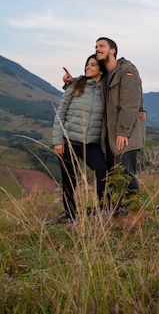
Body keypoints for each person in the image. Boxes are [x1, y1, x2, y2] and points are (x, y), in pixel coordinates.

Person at [63, 37, 145, 214]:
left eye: (101, 46)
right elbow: (91, 79)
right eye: (96, 46)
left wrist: (123, 131)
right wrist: (71, 81)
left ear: (113, 50)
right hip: (110, 136)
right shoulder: (107, 75)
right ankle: (110, 209)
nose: (97, 48)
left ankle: (135, 211)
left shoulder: (127, 70)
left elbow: (131, 103)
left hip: (126, 134)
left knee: (125, 173)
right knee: (112, 174)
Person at [53, 54, 108, 223]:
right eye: (87, 65)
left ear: (101, 68)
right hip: (69, 140)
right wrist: (58, 141)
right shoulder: (75, 85)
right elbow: (60, 113)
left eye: (93, 65)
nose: (88, 67)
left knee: (102, 170)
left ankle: (102, 208)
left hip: (91, 143)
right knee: (70, 180)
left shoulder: (106, 90)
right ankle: (71, 215)